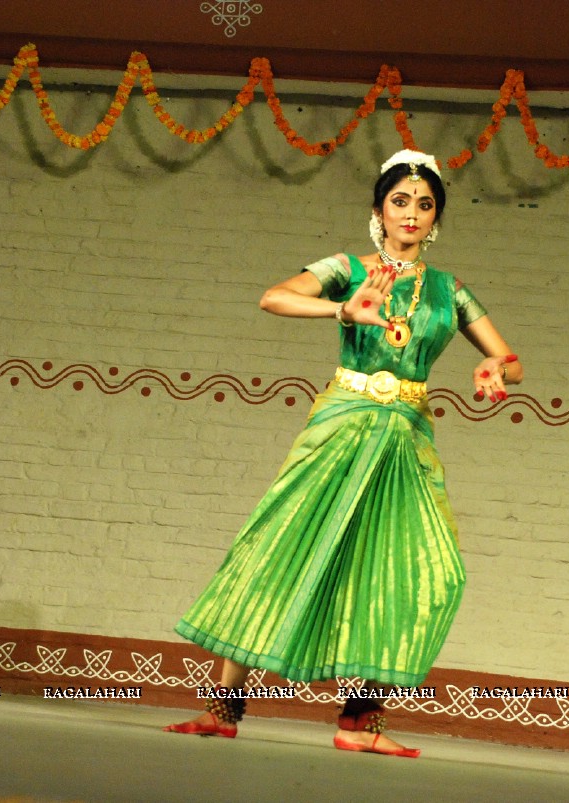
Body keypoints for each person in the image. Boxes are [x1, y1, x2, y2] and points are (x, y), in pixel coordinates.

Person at [163, 149, 523, 758]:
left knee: (412, 569)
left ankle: (359, 722)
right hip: (340, 425)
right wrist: (340, 308)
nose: (412, 213)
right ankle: (223, 709)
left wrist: (495, 367)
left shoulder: (448, 289)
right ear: (379, 210)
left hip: (406, 438)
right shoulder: (346, 269)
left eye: (425, 205)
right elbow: (273, 297)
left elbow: (511, 359)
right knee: (281, 547)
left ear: (436, 220)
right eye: (401, 201)